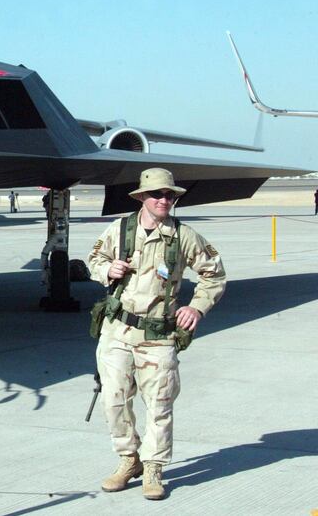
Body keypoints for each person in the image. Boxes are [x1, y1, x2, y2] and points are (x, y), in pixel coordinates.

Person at [86, 168, 226, 501]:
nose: (164, 200)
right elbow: (94, 259)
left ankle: (153, 467)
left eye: (169, 195)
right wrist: (108, 269)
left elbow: (214, 275)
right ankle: (128, 459)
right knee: (113, 401)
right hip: (117, 330)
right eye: (156, 195)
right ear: (142, 198)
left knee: (159, 405)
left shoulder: (184, 236)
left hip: (159, 335)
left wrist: (196, 308)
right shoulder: (120, 229)